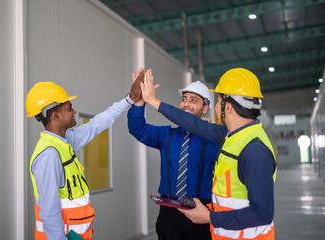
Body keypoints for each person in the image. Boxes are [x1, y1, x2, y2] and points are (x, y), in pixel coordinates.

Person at [140, 68, 277, 240]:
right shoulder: (230, 136)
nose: (216, 106)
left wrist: (209, 217)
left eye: (218, 100)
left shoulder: (254, 150)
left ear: (228, 106)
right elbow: (193, 124)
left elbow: (263, 213)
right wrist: (153, 101)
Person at [26, 76, 143, 240]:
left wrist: (130, 99)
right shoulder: (49, 154)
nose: (74, 111)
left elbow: (98, 124)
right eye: (69, 108)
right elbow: (49, 212)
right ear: (55, 116)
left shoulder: (65, 141)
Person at [127, 70, 219, 240]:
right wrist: (139, 100)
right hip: (169, 213)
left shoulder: (213, 140)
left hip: (202, 210)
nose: (186, 104)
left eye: (194, 101)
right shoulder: (167, 135)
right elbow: (137, 128)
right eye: (184, 99)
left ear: (205, 108)